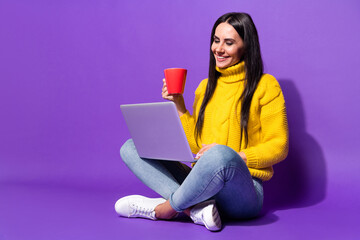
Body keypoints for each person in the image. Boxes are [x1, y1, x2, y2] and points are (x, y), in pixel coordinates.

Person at [115, 12, 288, 231]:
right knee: (131, 147)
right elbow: (197, 147)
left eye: (229, 42)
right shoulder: (205, 88)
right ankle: (195, 210)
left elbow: (279, 146)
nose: (219, 49)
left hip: (244, 192)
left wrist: (234, 156)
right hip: (202, 180)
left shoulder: (266, 85)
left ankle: (167, 209)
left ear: (246, 46)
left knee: (220, 154)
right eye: (216, 41)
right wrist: (178, 105)